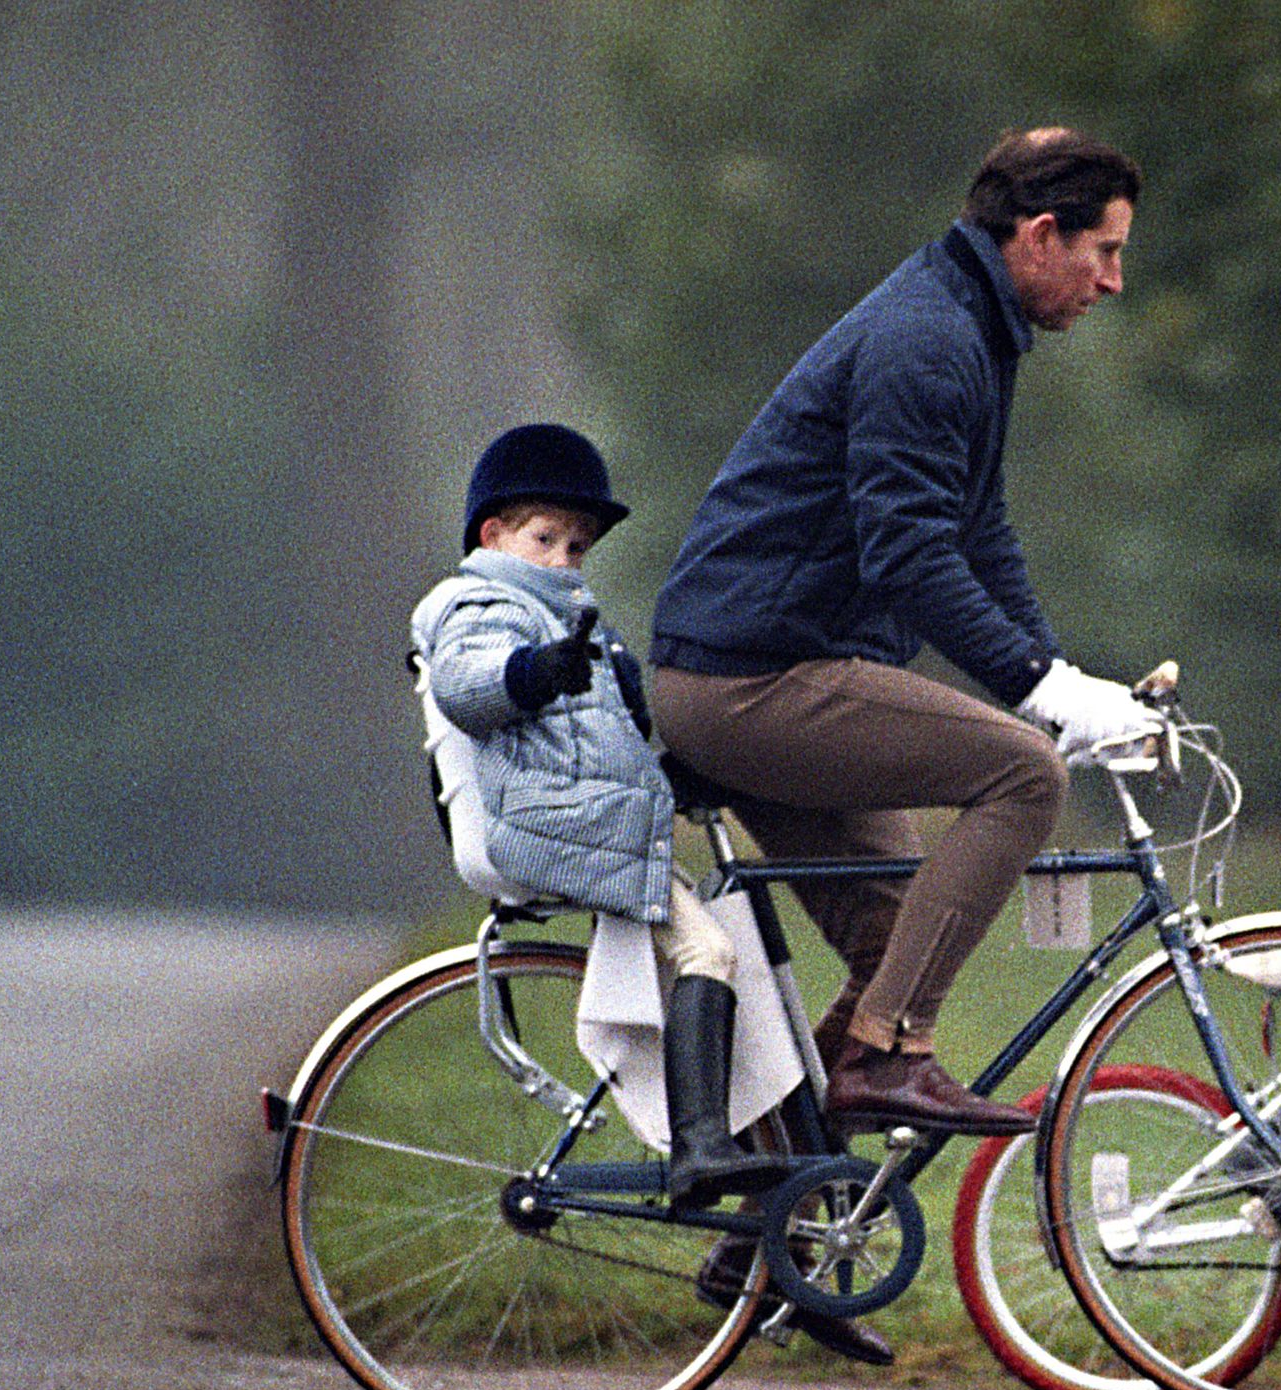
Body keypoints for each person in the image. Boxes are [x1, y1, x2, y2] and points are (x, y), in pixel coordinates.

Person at [648, 128, 1159, 1145]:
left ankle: (775, 1231)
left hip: (762, 668)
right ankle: (885, 1059)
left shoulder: (966, 321)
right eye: (1104, 253)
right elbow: (910, 558)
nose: (1111, 283)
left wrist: (1061, 673)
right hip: (751, 680)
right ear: (1040, 235)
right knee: (1024, 776)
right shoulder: (930, 337)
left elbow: (978, 530)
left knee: (899, 942)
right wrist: (1040, 695)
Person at [409, 423, 795, 1215]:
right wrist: (531, 674)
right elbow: (468, 684)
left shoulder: (565, 618)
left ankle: (766, 1163)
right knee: (709, 949)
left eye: (576, 547)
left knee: (736, 950)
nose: (562, 559)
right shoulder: (483, 603)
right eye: (545, 537)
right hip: (556, 830)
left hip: (587, 818)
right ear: (493, 535)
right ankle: (700, 1148)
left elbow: (602, 740)